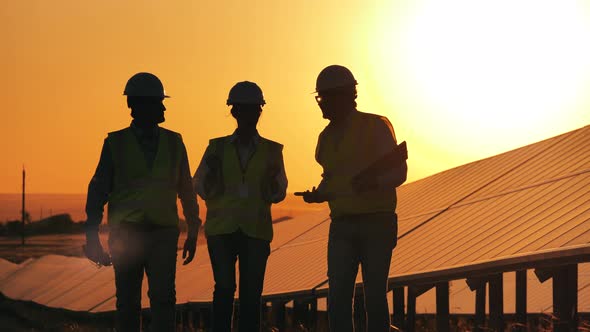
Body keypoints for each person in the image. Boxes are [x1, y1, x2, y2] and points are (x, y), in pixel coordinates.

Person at [84, 72, 201, 332]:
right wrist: (91, 236)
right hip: (126, 234)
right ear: (137, 105)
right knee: (127, 303)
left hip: (162, 233)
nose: (163, 107)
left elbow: (186, 189)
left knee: (163, 300)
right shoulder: (115, 143)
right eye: (157, 102)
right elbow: (98, 190)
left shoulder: (174, 142)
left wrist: (193, 228)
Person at [295, 65, 408, 332]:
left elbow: (399, 171)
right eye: (319, 98)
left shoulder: (375, 127)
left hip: (376, 222)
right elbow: (333, 177)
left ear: (344, 96)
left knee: (375, 297)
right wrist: (319, 194)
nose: (321, 104)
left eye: (325, 97)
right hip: (343, 224)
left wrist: (374, 183)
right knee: (338, 298)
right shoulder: (325, 138)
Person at [193, 81, 287, 332]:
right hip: (222, 231)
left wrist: (270, 183)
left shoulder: (272, 151)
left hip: (255, 232)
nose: (249, 115)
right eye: (244, 110)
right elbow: (199, 184)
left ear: (259, 112)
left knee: (251, 295)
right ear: (234, 112)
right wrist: (213, 178)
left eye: (253, 110)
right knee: (224, 290)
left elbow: (280, 192)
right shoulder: (217, 148)